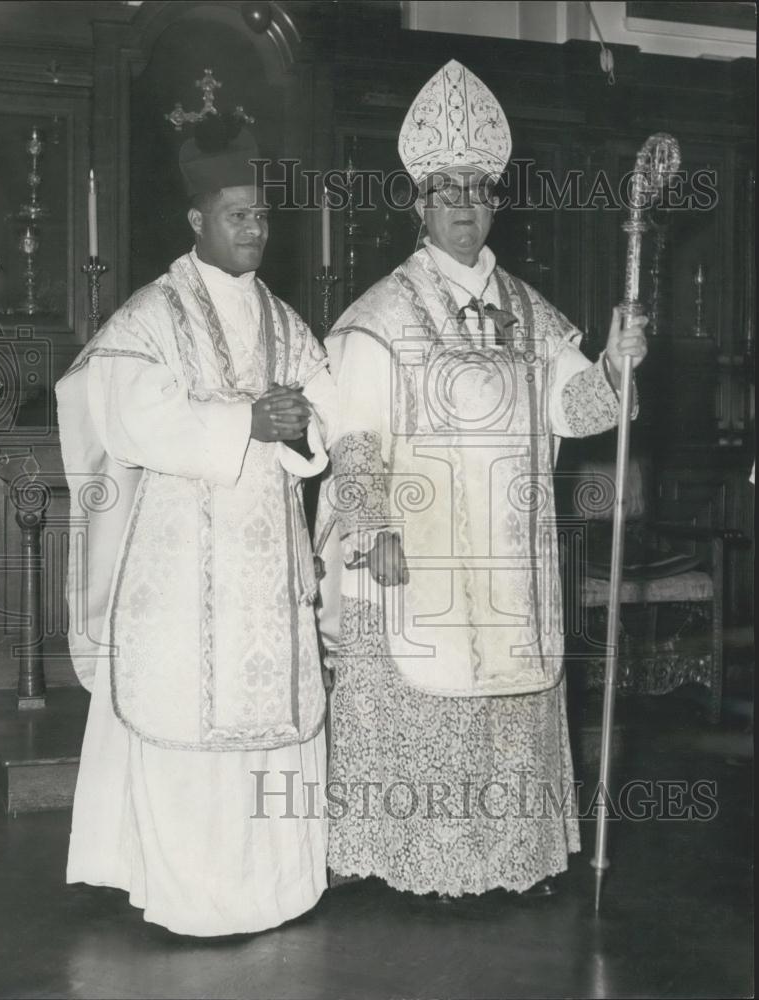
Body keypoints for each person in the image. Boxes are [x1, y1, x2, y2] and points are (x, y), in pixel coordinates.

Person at [315, 60, 647, 898]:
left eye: (479, 191)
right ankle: (424, 864)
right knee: (427, 682)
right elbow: (352, 435)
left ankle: (507, 859)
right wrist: (371, 530)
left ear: (497, 201)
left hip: (508, 554)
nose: (465, 208)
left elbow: (585, 407)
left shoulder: (532, 311)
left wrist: (618, 357)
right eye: (448, 191)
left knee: (509, 685)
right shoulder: (380, 315)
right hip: (413, 550)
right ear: (421, 203)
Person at [57, 114, 336, 935]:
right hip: (179, 571)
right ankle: (190, 896)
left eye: (262, 215)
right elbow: (115, 407)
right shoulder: (152, 315)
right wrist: (239, 424)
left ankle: (274, 887)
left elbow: (326, 408)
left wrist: (301, 427)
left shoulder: (286, 321)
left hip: (266, 567)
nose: (254, 229)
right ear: (196, 220)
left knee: (268, 720)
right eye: (236, 214)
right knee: (183, 713)